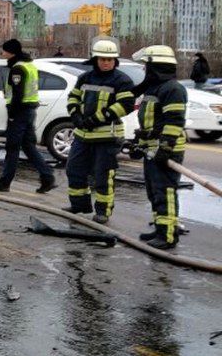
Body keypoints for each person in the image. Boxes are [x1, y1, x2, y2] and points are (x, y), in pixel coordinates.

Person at [63, 39, 135, 224]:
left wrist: (97, 118)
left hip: (106, 136)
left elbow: (126, 105)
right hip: (82, 135)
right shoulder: (85, 78)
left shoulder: (121, 80)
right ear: (95, 59)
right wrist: (76, 115)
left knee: (103, 175)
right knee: (74, 170)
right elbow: (73, 98)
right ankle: (79, 205)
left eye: (110, 60)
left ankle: (103, 211)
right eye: (102, 59)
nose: (106, 62)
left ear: (115, 61)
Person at [131, 46, 188, 249]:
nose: (145, 71)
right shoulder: (154, 88)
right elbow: (150, 121)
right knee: (154, 191)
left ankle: (168, 235)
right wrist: (140, 142)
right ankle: (159, 227)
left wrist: (165, 147)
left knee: (165, 191)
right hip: (151, 148)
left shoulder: (173, 89)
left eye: (147, 66)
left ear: (157, 67)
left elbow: (174, 121)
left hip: (167, 149)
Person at [0, 39, 57, 193]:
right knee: (28, 146)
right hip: (29, 110)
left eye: (4, 50)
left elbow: (18, 93)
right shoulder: (29, 65)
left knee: (12, 147)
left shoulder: (17, 68)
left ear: (11, 52)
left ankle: (5, 182)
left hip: (20, 112)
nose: (2, 53)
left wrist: (12, 114)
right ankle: (47, 177)